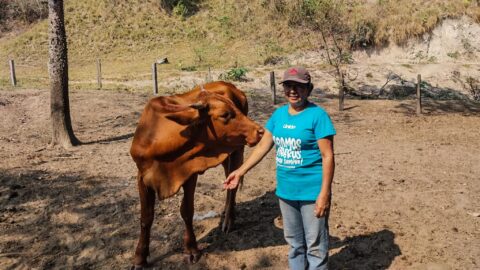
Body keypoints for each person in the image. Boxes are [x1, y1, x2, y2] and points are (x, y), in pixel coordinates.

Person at [223, 66, 336, 270]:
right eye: (289, 86)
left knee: (316, 247)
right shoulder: (279, 115)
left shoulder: (318, 116)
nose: (293, 91)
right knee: (294, 243)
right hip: (286, 192)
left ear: (308, 89)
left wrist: (324, 194)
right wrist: (240, 171)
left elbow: (328, 156)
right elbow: (263, 147)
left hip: (312, 192)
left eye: (299, 86)